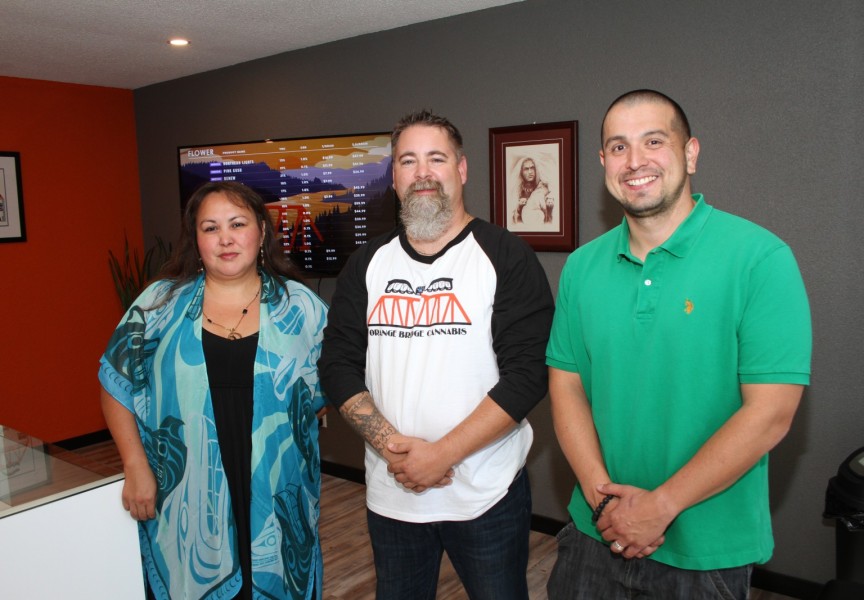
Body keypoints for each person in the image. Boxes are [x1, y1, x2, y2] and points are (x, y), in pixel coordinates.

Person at [545, 90, 812, 599]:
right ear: (603, 162)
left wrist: (658, 507)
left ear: (690, 153)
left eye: (653, 141)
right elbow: (567, 389)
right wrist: (606, 507)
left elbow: (771, 414)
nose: (635, 161)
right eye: (618, 147)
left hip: (704, 553)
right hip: (592, 536)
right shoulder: (582, 267)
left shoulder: (760, 258)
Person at [318, 110, 554, 600]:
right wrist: (394, 451)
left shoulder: (506, 256)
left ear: (461, 169)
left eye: (436, 158)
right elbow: (337, 366)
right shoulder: (367, 264)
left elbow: (528, 375)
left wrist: (441, 455)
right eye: (408, 160)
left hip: (486, 495)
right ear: (395, 177)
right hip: (393, 496)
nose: (422, 172)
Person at [98, 181, 328, 600]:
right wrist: (135, 465)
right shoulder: (159, 305)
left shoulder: (302, 307)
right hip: (187, 496)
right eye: (210, 228)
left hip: (277, 491)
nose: (225, 238)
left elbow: (332, 385)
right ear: (196, 240)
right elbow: (116, 384)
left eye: (237, 224)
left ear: (260, 230)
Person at [512, 157, 556, 226]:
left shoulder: (543, 188)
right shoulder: (518, 190)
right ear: (521, 172)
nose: (530, 172)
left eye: (532, 168)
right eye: (526, 169)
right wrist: (519, 207)